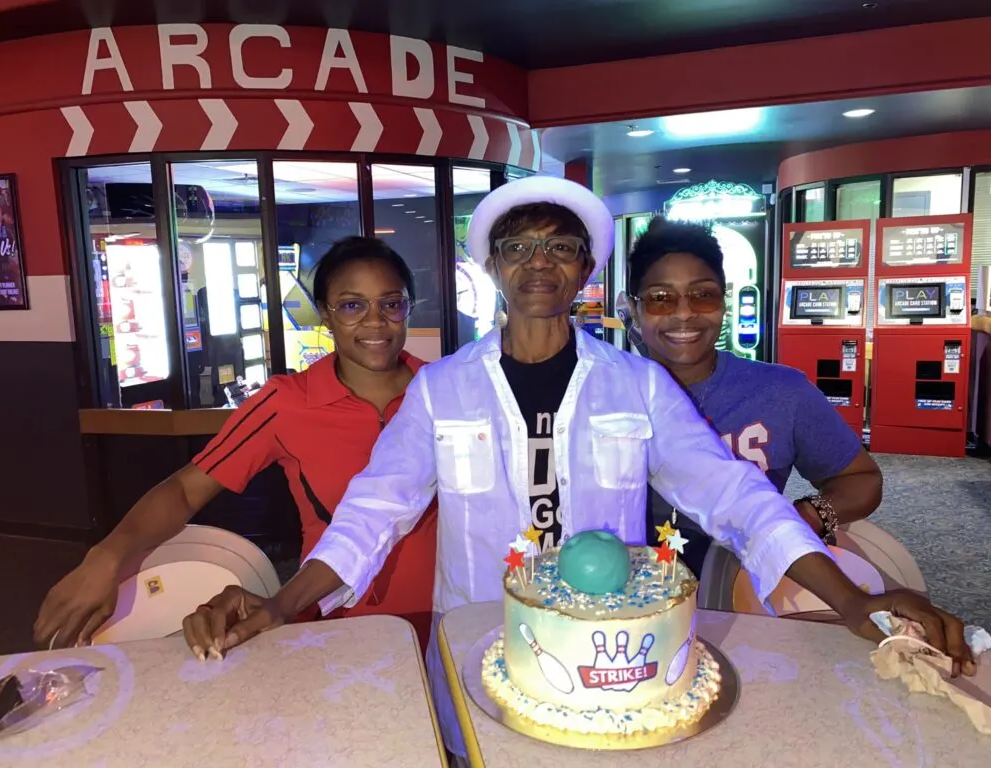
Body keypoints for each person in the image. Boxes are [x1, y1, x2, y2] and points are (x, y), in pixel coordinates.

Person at [181, 178, 974, 764]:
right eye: (518, 246)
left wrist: (855, 602)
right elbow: (372, 511)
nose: (539, 262)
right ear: (491, 266)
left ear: (586, 268)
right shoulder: (442, 389)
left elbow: (734, 496)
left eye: (560, 246)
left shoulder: (636, 385)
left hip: (614, 670)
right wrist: (283, 605)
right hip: (475, 654)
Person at [33, 236, 438, 652]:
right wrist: (107, 556)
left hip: (452, 614)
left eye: (391, 303)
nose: (375, 321)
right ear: (325, 314)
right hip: (337, 624)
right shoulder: (288, 402)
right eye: (353, 305)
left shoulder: (446, 391)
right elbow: (186, 489)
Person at [628, 217, 883, 576]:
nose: (684, 313)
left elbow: (862, 479)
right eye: (660, 298)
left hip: (745, 592)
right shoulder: (603, 394)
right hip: (625, 600)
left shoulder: (781, 391)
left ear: (724, 299)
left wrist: (807, 516)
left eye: (703, 295)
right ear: (633, 308)